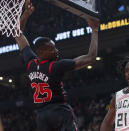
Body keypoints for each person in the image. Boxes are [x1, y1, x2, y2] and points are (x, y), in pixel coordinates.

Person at [14, 0, 99, 131]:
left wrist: (25, 14)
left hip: (41, 115)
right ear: (42, 51)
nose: (57, 51)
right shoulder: (56, 66)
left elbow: (17, 33)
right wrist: (94, 30)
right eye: (52, 48)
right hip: (59, 111)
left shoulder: (31, 63)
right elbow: (91, 57)